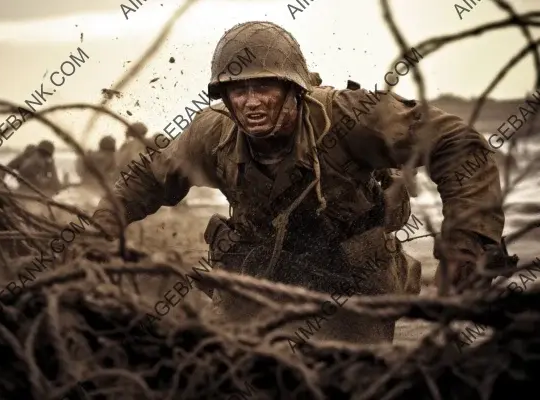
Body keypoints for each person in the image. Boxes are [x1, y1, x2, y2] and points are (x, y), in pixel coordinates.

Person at [92, 21, 505, 344]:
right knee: (231, 371)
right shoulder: (211, 133)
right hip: (257, 272)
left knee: (347, 379)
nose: (250, 101)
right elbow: (147, 178)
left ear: (293, 89)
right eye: (238, 90)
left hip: (351, 275)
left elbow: (459, 144)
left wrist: (465, 244)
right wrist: (96, 234)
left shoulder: (347, 117)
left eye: (263, 87)